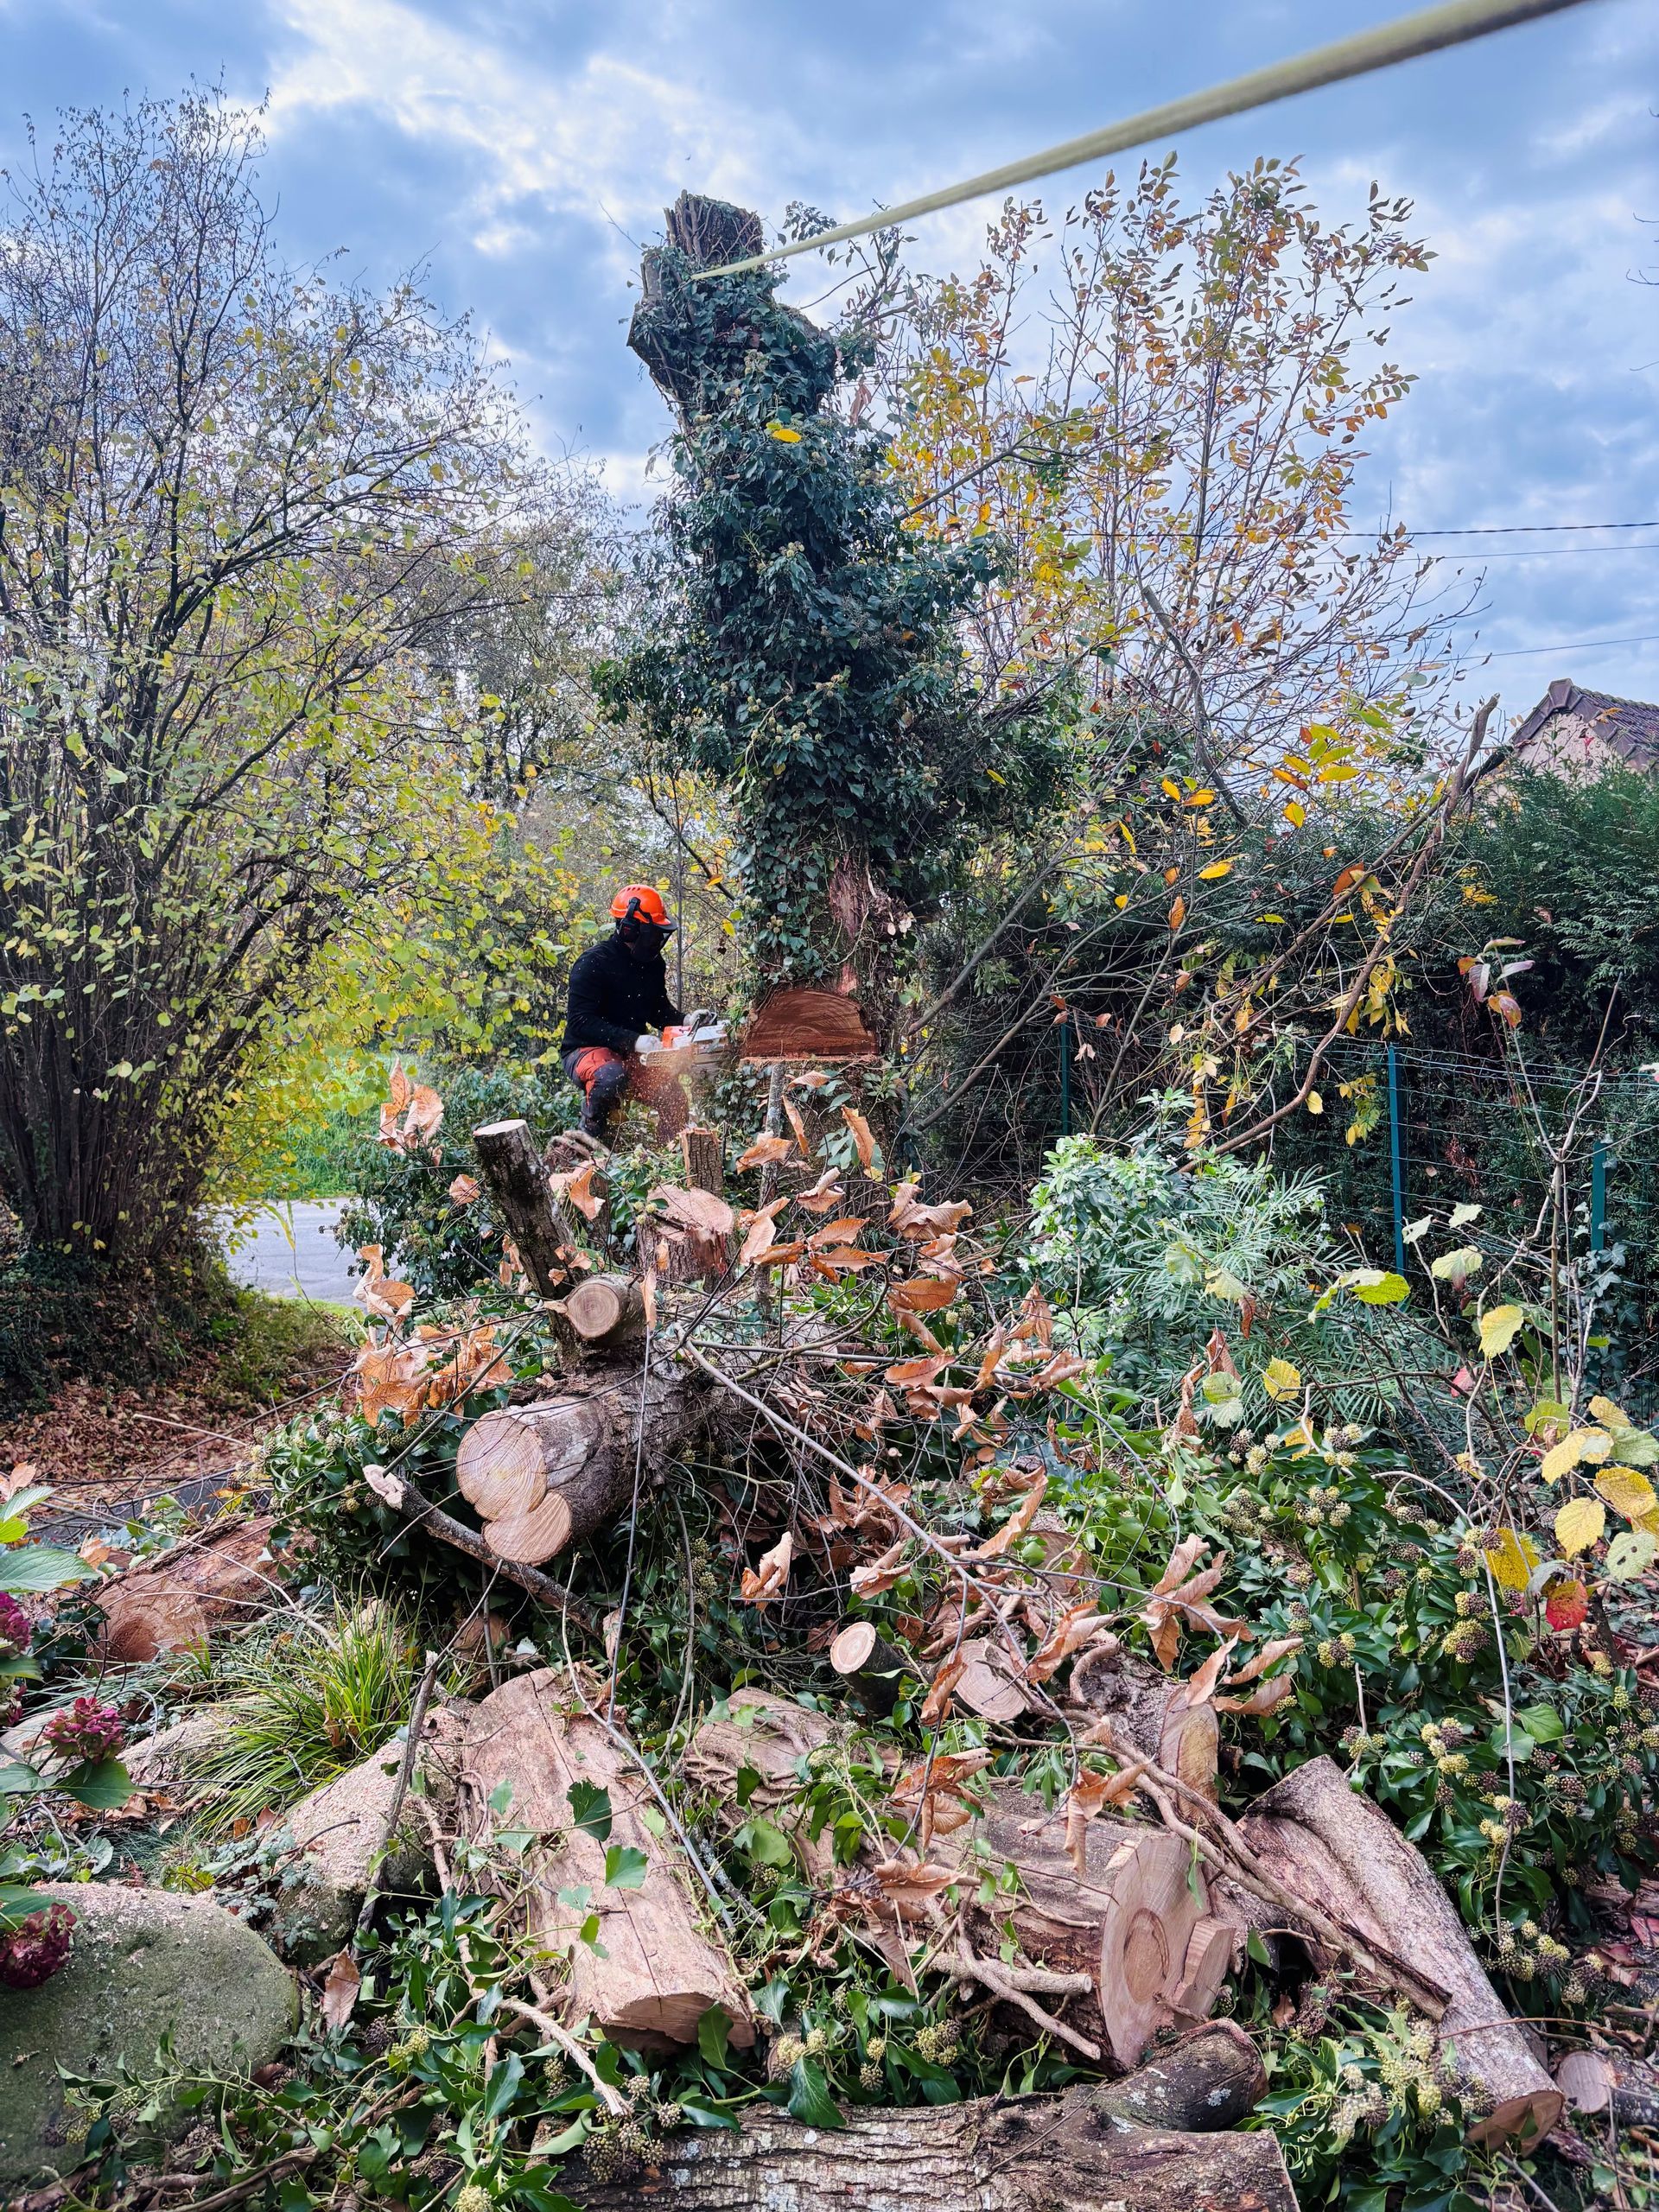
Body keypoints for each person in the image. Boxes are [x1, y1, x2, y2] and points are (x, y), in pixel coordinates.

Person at [561, 885, 683, 1139]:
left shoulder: (652, 965)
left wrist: (688, 1021)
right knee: (610, 1076)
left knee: (673, 1096)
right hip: (586, 1050)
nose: (657, 941)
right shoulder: (593, 963)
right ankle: (589, 1142)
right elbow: (580, 1022)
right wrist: (634, 1040)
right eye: (653, 933)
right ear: (630, 929)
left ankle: (669, 1154)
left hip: (629, 1053)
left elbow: (658, 1011)